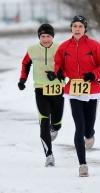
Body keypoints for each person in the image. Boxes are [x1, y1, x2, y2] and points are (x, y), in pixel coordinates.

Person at [54, 15, 100, 177]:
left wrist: (93, 75)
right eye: (74, 26)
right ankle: (82, 165)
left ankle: (90, 134)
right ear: (71, 29)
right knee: (79, 127)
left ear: (85, 28)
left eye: (80, 26)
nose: (77, 29)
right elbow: (58, 63)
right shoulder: (64, 47)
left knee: (88, 128)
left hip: (91, 89)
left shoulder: (94, 45)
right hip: (73, 89)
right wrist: (58, 72)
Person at [18, 24, 65, 167]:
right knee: (44, 121)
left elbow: (66, 66)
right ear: (39, 37)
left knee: (56, 123)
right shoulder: (32, 50)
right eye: (42, 36)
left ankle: (55, 128)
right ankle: (49, 155)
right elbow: (25, 64)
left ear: (53, 37)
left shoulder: (60, 48)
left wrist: (57, 74)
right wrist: (22, 80)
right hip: (40, 89)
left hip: (58, 89)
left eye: (48, 36)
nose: (45, 39)